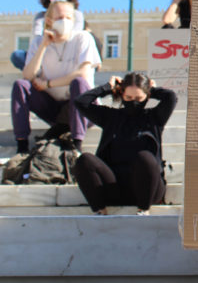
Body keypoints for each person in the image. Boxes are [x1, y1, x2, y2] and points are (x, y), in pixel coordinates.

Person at [73, 72, 177, 215]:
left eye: (139, 98)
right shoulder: (111, 117)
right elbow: (81, 102)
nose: (133, 102)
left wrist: (151, 89)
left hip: (148, 189)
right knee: (84, 159)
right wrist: (107, 87)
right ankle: (100, 211)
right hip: (115, 187)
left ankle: (143, 210)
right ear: (122, 94)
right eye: (129, 97)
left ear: (147, 96)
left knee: (145, 157)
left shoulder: (155, 117)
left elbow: (171, 97)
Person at [11, 1, 101, 154]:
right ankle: (22, 145)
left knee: (79, 82)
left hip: (83, 109)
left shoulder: (83, 38)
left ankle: (77, 143)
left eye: (68, 17)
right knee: (20, 85)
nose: (64, 21)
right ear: (49, 20)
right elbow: (28, 75)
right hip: (54, 109)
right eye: (59, 17)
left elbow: (83, 74)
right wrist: (43, 45)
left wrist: (48, 84)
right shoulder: (38, 42)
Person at [10, 0, 84, 70]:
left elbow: (75, 35)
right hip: (45, 51)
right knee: (17, 55)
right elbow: (36, 37)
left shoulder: (76, 15)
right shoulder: (41, 16)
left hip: (67, 52)